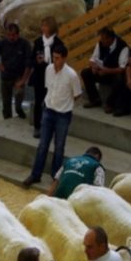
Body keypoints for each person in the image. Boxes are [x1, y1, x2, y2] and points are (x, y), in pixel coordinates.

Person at [23, 45, 83, 188]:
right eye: (54, 57)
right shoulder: (48, 69)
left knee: (59, 147)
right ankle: (35, 174)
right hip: (48, 110)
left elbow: (78, 95)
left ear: (64, 58)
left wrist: (66, 104)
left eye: (57, 58)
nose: (55, 60)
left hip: (63, 114)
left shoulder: (72, 75)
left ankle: (56, 177)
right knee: (42, 145)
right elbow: (48, 88)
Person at [0, 23, 33, 120]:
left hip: (19, 76)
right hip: (6, 76)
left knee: (19, 100)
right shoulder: (2, 43)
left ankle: (20, 111)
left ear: (18, 34)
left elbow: (29, 63)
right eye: (9, 35)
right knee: (6, 104)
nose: (11, 37)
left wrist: (23, 80)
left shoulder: (24, 44)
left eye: (13, 35)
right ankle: (7, 120)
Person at [30, 16, 65, 138]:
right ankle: (37, 126)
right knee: (38, 101)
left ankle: (51, 125)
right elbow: (31, 60)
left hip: (53, 76)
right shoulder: (38, 42)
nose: (43, 28)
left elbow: (62, 60)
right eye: (42, 25)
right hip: (39, 76)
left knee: (52, 101)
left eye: (45, 25)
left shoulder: (58, 43)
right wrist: (37, 62)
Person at [80, 26, 128, 110]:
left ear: (110, 39)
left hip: (114, 74)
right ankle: (95, 99)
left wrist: (107, 71)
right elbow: (92, 59)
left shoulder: (123, 47)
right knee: (85, 72)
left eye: (103, 38)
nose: (101, 40)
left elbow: (122, 68)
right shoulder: (100, 44)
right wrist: (94, 66)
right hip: (101, 71)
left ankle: (110, 103)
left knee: (120, 79)